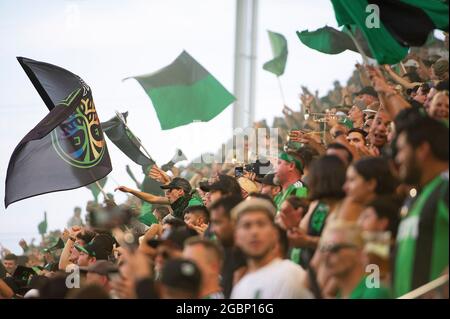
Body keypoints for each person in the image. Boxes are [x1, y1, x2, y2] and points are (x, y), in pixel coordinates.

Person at [393, 116, 449, 298]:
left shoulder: (445, 188)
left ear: (423, 149)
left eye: (401, 150)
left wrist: (440, 292)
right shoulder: (415, 199)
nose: (398, 158)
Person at [230, 197, 312, 299]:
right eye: (247, 226)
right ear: (236, 237)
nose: (254, 232)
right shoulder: (240, 289)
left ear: (275, 233)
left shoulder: (292, 275)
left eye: (261, 224)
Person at [291, 155, 347, 269]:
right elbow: (302, 230)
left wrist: (307, 241)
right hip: (308, 265)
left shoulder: (345, 207)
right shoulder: (317, 204)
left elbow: (339, 244)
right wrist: (291, 225)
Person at [318, 221, 391, 299]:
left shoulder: (374, 294)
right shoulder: (340, 295)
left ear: (359, 253)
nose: (326, 255)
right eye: (323, 249)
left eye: (334, 248)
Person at [208, 195, 246, 298]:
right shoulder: (224, 253)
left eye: (217, 222)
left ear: (236, 221)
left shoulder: (252, 260)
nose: (212, 230)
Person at [116, 177, 193, 219]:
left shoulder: (193, 204)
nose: (166, 193)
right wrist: (130, 190)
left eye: (170, 190)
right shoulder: (178, 202)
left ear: (180, 191)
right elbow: (153, 199)